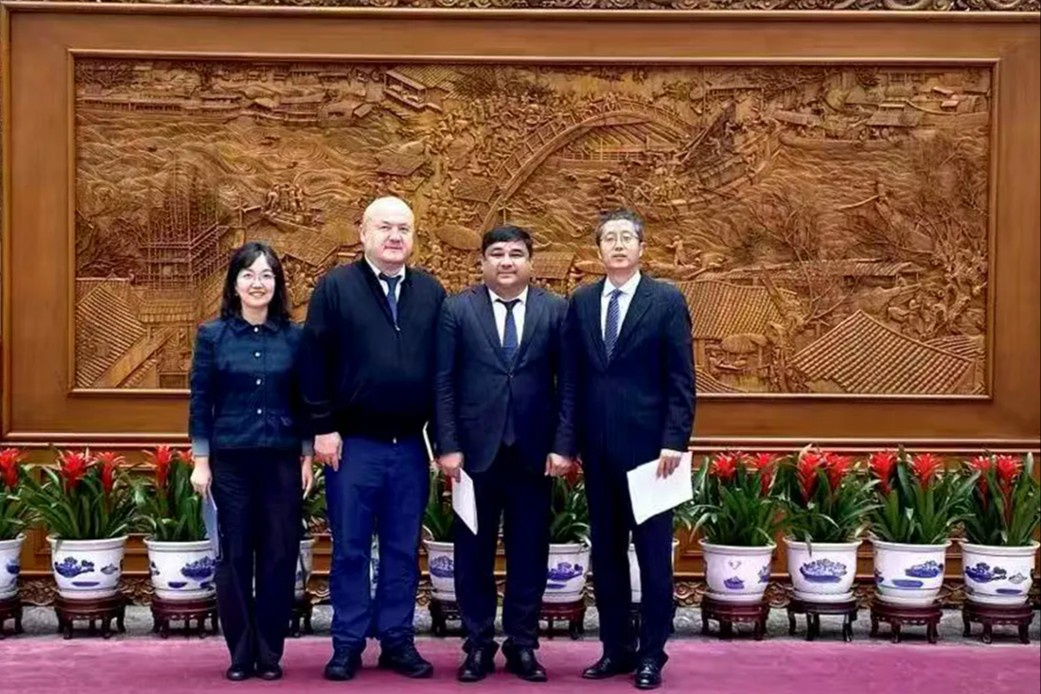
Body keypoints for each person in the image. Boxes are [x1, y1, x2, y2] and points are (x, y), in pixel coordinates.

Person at [299, 196, 447, 681]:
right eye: (384, 227)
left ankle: (397, 639)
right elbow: (313, 363)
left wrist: (443, 442)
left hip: (409, 447)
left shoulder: (431, 293)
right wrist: (323, 427)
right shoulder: (336, 287)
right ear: (362, 233)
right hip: (352, 445)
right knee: (351, 548)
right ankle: (347, 643)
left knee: (403, 549)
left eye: (404, 228)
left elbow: (443, 374)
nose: (395, 236)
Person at [557, 209, 695, 691]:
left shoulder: (666, 300)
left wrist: (674, 439)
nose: (617, 245)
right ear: (598, 251)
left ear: (641, 249)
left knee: (654, 558)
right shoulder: (581, 301)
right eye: (609, 239)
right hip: (597, 453)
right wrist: (566, 445)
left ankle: (652, 654)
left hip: (653, 456)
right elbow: (571, 380)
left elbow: (681, 379)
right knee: (608, 555)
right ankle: (616, 649)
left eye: (626, 238)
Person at [434, 225, 572, 683]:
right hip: (473, 456)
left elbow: (569, 384)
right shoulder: (457, 309)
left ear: (531, 262)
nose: (506, 261)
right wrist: (448, 445)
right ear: (483, 262)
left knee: (529, 553)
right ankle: (477, 644)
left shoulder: (556, 310)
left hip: (534, 455)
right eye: (497, 253)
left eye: (516, 253)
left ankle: (522, 644)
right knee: (471, 554)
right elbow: (443, 382)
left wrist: (563, 445)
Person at [188, 242, 315, 682]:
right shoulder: (213, 336)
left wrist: (306, 455)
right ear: (234, 283)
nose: (257, 283)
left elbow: (304, 401)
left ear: (277, 284)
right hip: (231, 463)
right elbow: (201, 401)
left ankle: (270, 653)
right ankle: (241, 653)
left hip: (281, 462)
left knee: (279, 556)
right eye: (248, 275)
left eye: (266, 275)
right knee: (234, 557)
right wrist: (201, 460)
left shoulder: (294, 337)